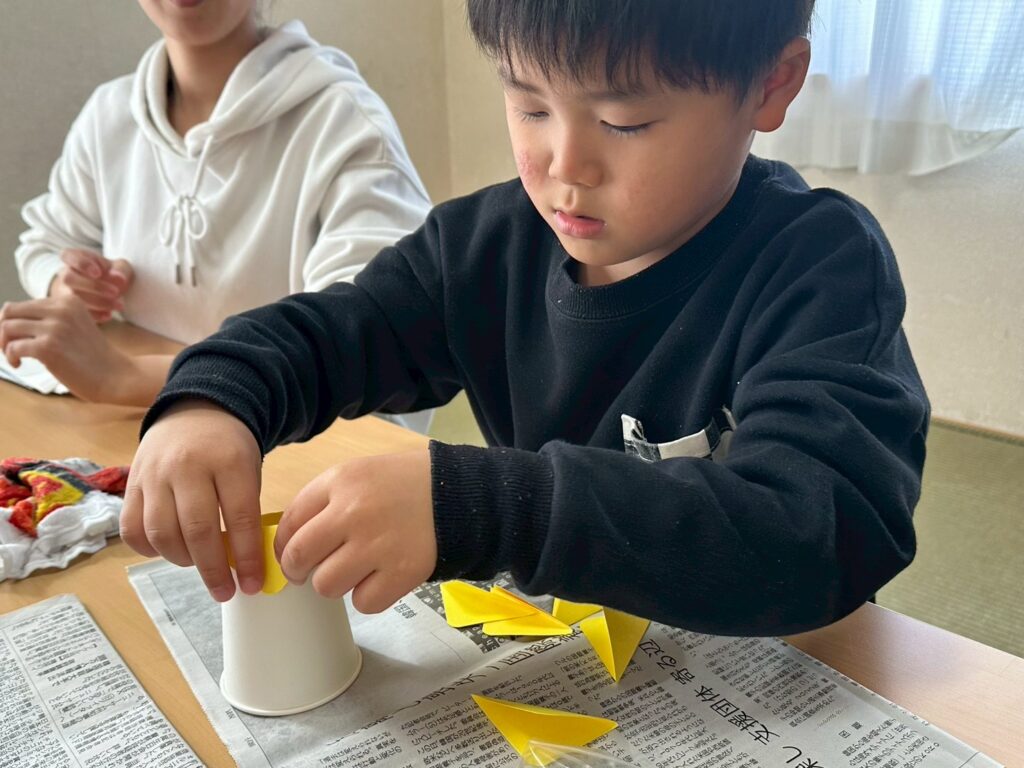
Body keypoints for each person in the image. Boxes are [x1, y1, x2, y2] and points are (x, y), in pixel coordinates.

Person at [120, 0, 930, 636]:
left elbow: (818, 531)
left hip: (773, 663)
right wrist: (214, 397)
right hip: (576, 645)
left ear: (772, 85)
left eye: (625, 121)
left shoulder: (820, 266)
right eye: (529, 104)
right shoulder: (480, 249)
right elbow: (335, 332)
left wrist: (489, 508)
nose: (564, 165)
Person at [0, 0, 433, 432]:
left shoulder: (344, 123)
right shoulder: (109, 115)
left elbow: (359, 353)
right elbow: (45, 242)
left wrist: (119, 376)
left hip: (292, 443)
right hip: (147, 431)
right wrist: (69, 283)